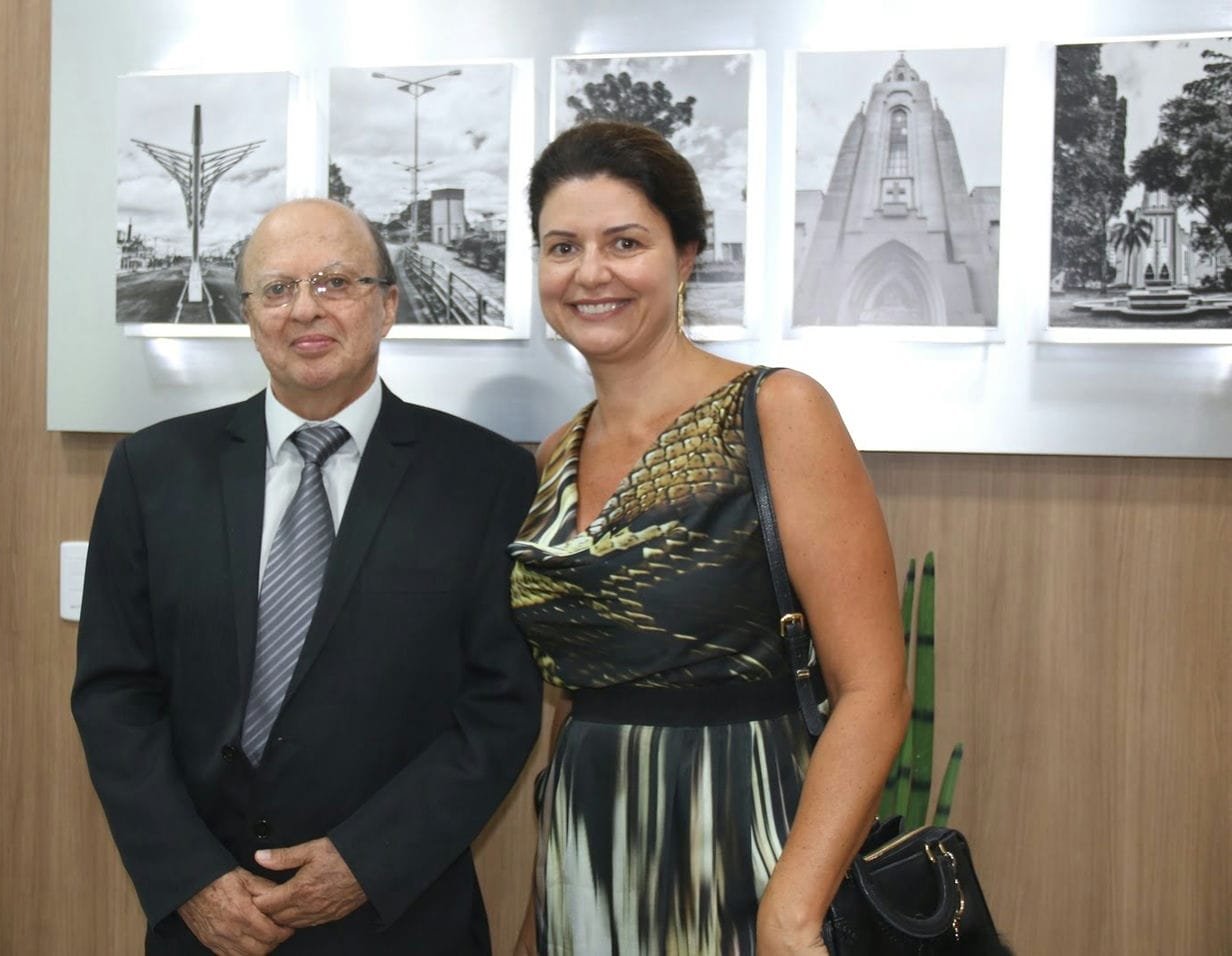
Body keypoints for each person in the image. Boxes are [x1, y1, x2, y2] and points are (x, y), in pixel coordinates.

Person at [72, 198, 542, 955]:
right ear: (249, 313)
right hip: (208, 921)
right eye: (277, 288)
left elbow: (500, 706)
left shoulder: (487, 478)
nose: (304, 310)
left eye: (335, 282)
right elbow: (114, 692)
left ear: (388, 305)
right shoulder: (152, 471)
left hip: (402, 917)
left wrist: (368, 863)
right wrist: (190, 879)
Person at [508, 121, 911, 955]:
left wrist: (791, 916)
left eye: (625, 242)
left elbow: (874, 689)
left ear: (686, 255)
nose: (591, 272)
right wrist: (542, 911)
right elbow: (580, 692)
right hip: (588, 862)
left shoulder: (777, 412)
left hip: (750, 852)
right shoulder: (552, 458)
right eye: (562, 247)